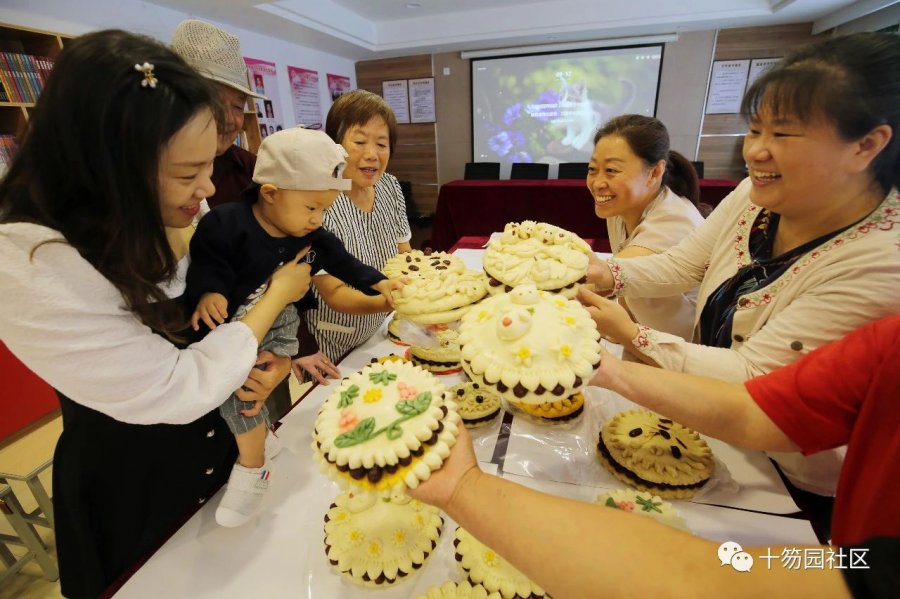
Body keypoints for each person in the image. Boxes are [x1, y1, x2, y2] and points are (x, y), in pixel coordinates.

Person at [0, 30, 309, 598]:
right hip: (134, 484)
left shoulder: (154, 203)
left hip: (210, 448)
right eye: (187, 174)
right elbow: (176, 384)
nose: (208, 187)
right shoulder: (28, 259)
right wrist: (270, 307)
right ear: (109, 163)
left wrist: (273, 362)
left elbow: (216, 321)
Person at [578, 32, 900, 497]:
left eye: (782, 133)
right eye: (754, 130)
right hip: (711, 415)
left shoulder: (880, 264)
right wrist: (607, 273)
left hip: (796, 474)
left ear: (866, 145)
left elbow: (756, 382)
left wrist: (629, 340)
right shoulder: (757, 194)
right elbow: (685, 265)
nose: (755, 151)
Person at [408, 316, 900, 598]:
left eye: (785, 129)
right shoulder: (889, 344)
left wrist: (464, 488)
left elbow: (710, 582)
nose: (758, 148)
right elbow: (756, 410)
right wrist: (604, 370)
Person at [186, 126, 399, 527]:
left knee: (250, 392)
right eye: (311, 209)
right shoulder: (225, 224)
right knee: (241, 392)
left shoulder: (310, 231)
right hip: (237, 325)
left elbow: (343, 263)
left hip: (282, 323)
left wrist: (380, 282)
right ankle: (256, 464)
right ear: (270, 193)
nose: (317, 220)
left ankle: (255, 456)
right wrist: (209, 292)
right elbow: (206, 262)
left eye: (324, 211)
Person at [172, 19, 295, 422]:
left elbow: (289, 260)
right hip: (182, 387)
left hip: (260, 362)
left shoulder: (254, 174)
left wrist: (288, 356)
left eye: (237, 106)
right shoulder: (139, 191)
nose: (229, 119)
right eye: (213, 102)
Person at [293, 89, 413, 383]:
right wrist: (389, 301)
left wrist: (412, 291)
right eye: (359, 142)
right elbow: (333, 292)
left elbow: (405, 255)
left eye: (382, 144)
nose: (371, 154)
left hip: (384, 328)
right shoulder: (319, 201)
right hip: (336, 344)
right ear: (336, 145)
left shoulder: (389, 186)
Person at [587, 114, 704, 340]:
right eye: (592, 169)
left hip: (683, 343)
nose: (598, 183)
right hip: (642, 330)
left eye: (611, 170)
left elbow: (603, 279)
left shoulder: (673, 221)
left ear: (655, 172)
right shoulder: (621, 208)